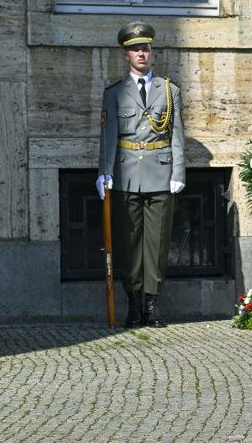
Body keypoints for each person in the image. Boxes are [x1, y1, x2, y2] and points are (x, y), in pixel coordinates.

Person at [97, 21, 186, 328]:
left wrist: (179, 171)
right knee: (129, 242)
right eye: (135, 49)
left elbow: (177, 135)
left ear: (152, 52)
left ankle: (153, 303)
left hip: (160, 174)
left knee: (157, 243)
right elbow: (108, 137)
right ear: (126, 55)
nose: (141, 54)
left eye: (145, 48)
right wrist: (103, 173)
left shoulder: (169, 91)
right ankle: (134, 303)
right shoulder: (115, 93)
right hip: (126, 174)